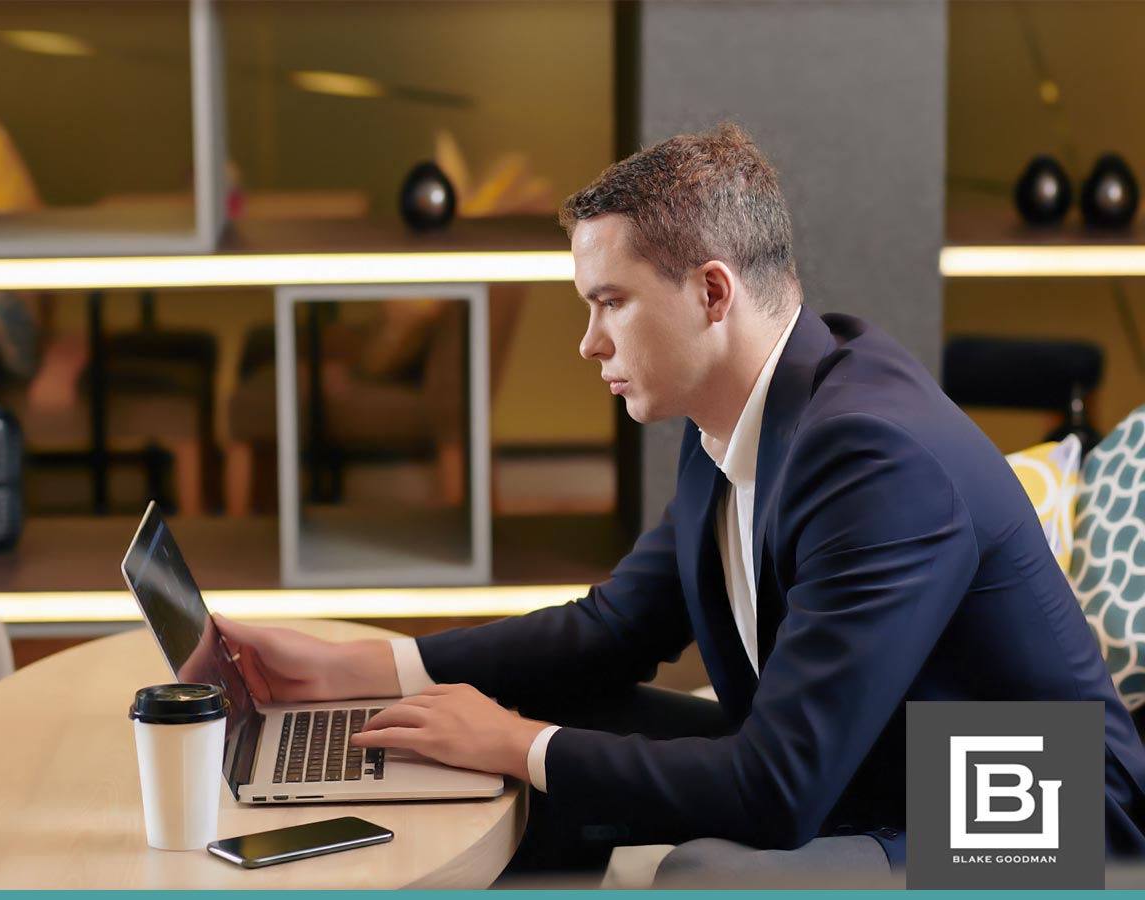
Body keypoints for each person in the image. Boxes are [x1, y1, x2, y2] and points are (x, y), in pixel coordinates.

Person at [215, 123, 1145, 886]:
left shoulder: (873, 455)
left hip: (1038, 803)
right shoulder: (738, 418)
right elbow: (611, 629)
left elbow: (777, 788)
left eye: (609, 302)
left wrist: (518, 743)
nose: (587, 343)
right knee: (553, 728)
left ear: (711, 292)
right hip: (877, 760)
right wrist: (364, 667)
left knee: (705, 872)